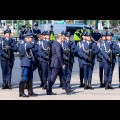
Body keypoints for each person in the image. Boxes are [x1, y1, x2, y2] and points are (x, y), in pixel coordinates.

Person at [18, 32, 38, 97]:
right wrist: (35, 40)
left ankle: (30, 91)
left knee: (30, 77)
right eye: (31, 38)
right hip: (25, 62)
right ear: (27, 38)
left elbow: (36, 48)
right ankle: (21, 92)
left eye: (32, 38)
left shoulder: (27, 43)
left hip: (29, 62)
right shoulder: (24, 44)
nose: (32, 39)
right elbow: (32, 46)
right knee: (24, 77)